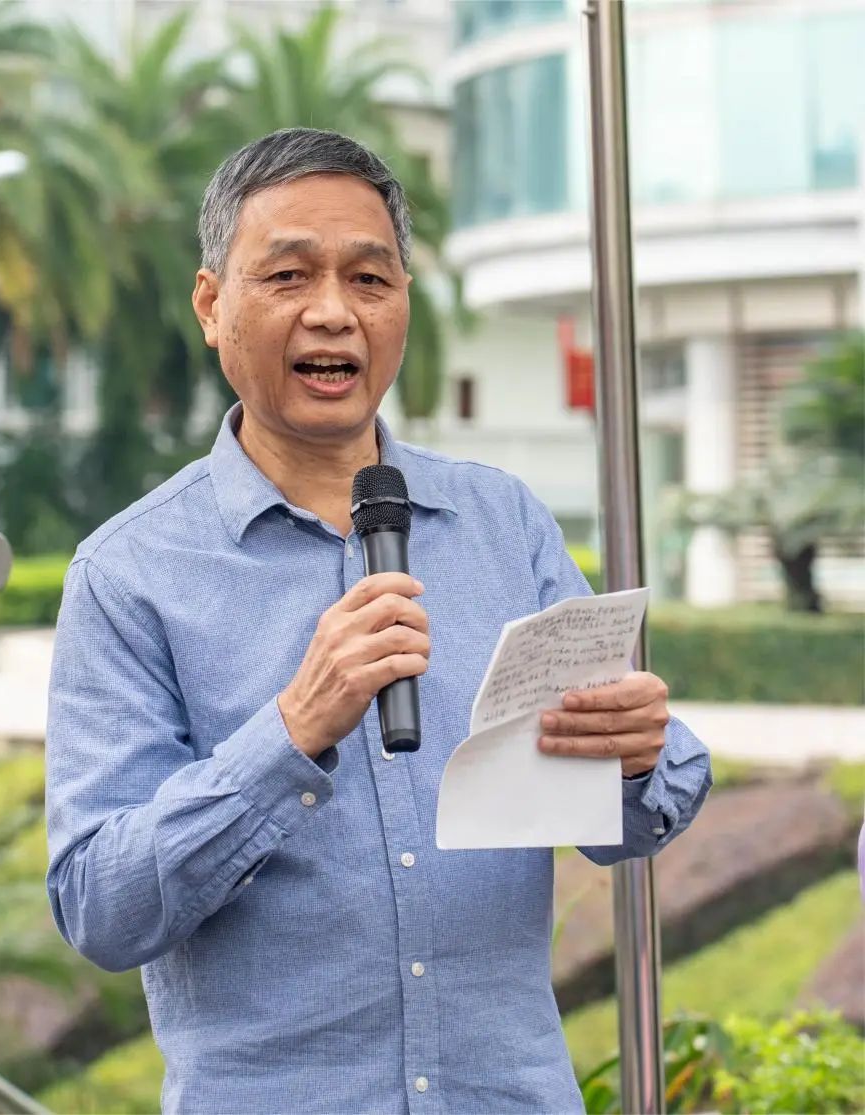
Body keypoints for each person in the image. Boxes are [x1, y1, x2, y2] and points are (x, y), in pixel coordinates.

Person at [45, 127, 713, 1114]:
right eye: (288, 275)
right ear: (211, 304)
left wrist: (630, 759)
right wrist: (288, 735)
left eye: (369, 278)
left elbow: (645, 808)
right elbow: (101, 906)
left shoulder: (503, 522)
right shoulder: (128, 573)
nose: (334, 312)